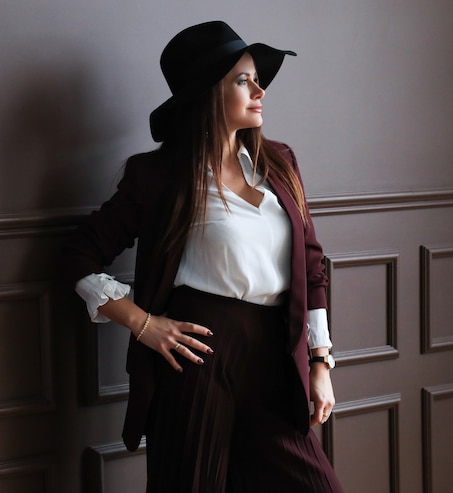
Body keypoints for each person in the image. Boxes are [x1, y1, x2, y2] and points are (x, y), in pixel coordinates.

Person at [62, 20, 344, 492]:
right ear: (207, 94)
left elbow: (312, 268)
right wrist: (143, 324)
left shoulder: (279, 162)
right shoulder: (157, 176)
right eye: (242, 79)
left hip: (275, 354)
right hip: (196, 357)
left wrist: (320, 363)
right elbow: (77, 256)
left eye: (257, 78)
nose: (259, 90)